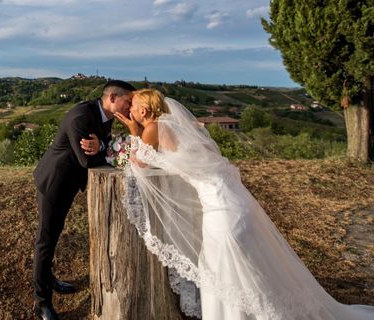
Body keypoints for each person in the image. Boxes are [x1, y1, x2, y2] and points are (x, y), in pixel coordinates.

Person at [115, 88, 374, 320]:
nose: (130, 110)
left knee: (224, 266)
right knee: (233, 265)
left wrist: (131, 130)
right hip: (229, 200)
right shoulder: (170, 125)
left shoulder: (153, 128)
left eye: (133, 106)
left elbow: (139, 161)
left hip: (221, 208)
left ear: (145, 110)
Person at [32, 80, 136, 320]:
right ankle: (41, 302)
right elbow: (86, 161)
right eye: (127, 101)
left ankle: (49, 278)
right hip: (54, 183)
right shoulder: (81, 117)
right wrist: (104, 148)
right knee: (45, 241)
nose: (130, 107)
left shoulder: (106, 115)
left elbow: (101, 146)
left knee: (55, 233)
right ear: (112, 98)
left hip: (68, 183)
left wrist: (102, 145)